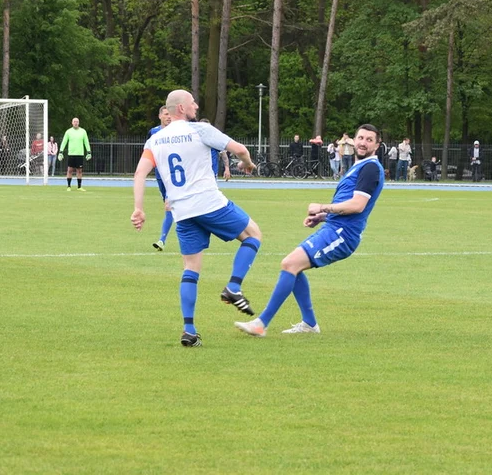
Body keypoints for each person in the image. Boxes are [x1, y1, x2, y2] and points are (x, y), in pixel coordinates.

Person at [131, 90, 262, 347]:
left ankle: (189, 331)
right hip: (209, 203)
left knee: (190, 269)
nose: (196, 105)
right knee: (253, 235)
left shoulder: (155, 140)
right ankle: (234, 287)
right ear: (181, 108)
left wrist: (139, 208)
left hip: (182, 212)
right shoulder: (200, 130)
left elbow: (139, 173)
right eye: (192, 102)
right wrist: (247, 163)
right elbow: (240, 149)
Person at [234, 125, 385, 337]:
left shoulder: (369, 168)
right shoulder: (360, 166)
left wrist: (323, 207)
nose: (363, 142)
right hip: (335, 227)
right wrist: (323, 218)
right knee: (292, 265)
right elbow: (349, 205)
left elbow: (358, 205)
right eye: (360, 137)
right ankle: (309, 324)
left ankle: (261, 324)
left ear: (377, 145)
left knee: (290, 264)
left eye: (369, 140)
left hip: (342, 235)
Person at [149, 106, 177, 252]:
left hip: (173, 176)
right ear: (160, 116)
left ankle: (162, 240)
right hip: (160, 176)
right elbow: (149, 151)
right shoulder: (153, 132)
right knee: (172, 208)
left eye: (170, 114)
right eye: (166, 114)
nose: (168, 117)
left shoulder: (177, 133)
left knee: (168, 205)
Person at [58, 117, 92, 190]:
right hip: (71, 154)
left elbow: (86, 142)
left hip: (80, 154)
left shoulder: (83, 131)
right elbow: (64, 142)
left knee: (79, 171)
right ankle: (69, 186)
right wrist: (61, 152)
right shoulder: (68, 132)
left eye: (77, 121)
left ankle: (79, 187)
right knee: (70, 170)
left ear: (78, 123)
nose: (76, 123)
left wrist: (89, 152)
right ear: (72, 123)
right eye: (74, 121)